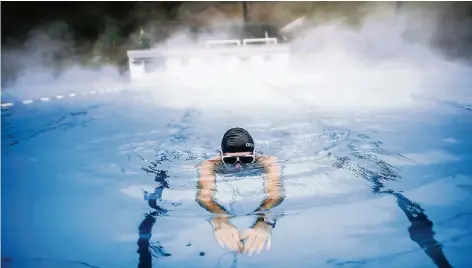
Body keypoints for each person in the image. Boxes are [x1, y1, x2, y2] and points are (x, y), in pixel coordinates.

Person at [195, 127, 285, 256]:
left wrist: (263, 221)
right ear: (221, 156)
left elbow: (275, 193)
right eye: (230, 160)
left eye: (246, 160)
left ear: (254, 155)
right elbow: (204, 196)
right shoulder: (209, 164)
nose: (238, 166)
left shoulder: (267, 161)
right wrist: (220, 219)